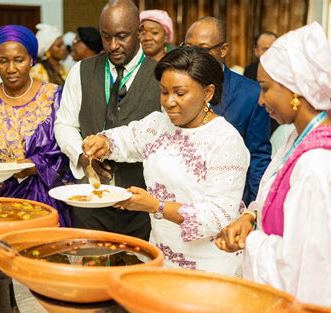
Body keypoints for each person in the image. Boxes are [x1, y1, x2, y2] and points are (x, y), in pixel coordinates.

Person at [215, 22, 331, 313]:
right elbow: (280, 202)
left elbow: (310, 273)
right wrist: (250, 217)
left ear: (295, 90)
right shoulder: (297, 141)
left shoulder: (318, 165)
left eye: (265, 89)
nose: (261, 101)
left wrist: (252, 242)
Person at [83, 46, 249, 273]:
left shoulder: (225, 141)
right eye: (164, 92)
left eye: (180, 94)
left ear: (208, 93)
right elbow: (127, 138)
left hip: (210, 264)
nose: (169, 102)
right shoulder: (158, 124)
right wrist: (103, 142)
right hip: (161, 254)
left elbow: (218, 216)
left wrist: (156, 206)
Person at [54, 0, 161, 240]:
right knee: (92, 270)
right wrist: (82, 157)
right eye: (106, 37)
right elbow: (64, 124)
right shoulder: (81, 71)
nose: (113, 46)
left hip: (142, 206)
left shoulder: (161, 75)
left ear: (140, 32)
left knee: (135, 274)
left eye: (122, 36)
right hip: (90, 202)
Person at [0, 25, 74, 227]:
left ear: (31, 60)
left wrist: (35, 165)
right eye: (3, 61)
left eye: (19, 60)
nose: (11, 69)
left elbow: (70, 149)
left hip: (46, 203)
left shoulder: (57, 99)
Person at [185, 17, 271, 205]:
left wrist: (254, 212)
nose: (193, 55)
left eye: (202, 49)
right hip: (181, 203)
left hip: (229, 204)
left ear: (223, 49)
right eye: (188, 47)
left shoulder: (251, 95)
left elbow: (258, 156)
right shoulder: (176, 90)